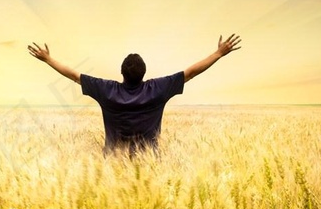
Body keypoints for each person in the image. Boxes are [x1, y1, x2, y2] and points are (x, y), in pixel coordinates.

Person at [27, 34, 242, 158]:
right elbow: (191, 72)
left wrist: (48, 59)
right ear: (144, 74)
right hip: (149, 162)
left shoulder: (106, 90)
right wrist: (219, 53)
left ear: (121, 73)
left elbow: (73, 75)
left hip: (113, 164)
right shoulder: (158, 89)